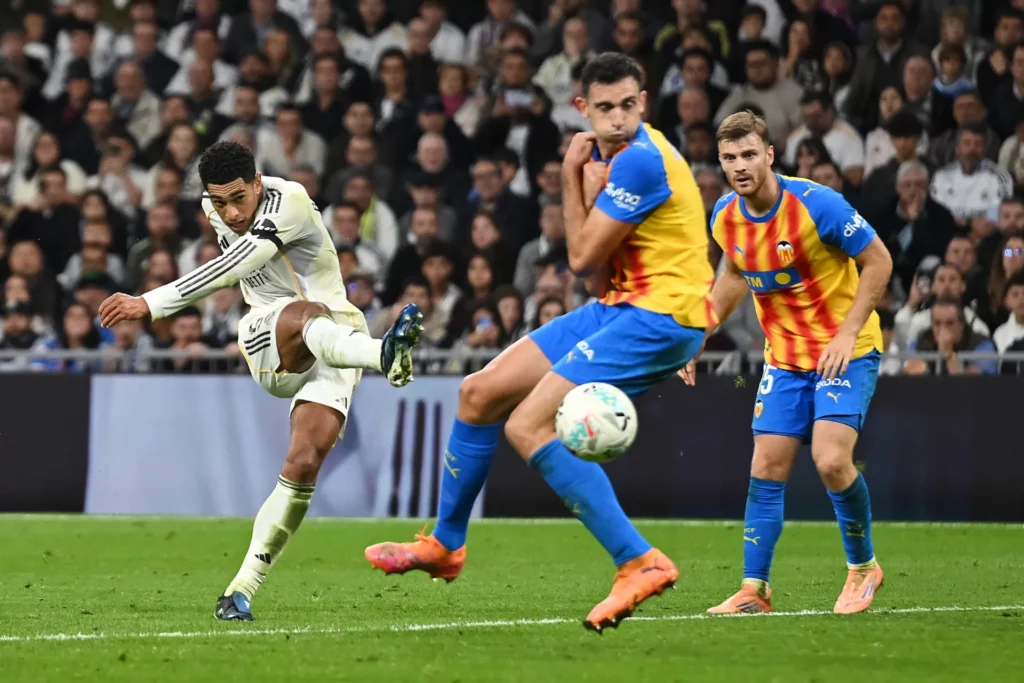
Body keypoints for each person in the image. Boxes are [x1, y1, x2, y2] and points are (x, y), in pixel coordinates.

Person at [364, 53, 715, 632]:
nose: (619, 118)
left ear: (644, 103)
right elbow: (598, 276)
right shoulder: (614, 157)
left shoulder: (643, 163)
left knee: (527, 425)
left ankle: (639, 561)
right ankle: (447, 546)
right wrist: (585, 177)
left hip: (662, 315)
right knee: (479, 393)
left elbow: (577, 258)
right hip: (620, 305)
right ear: (583, 108)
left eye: (629, 105)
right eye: (605, 108)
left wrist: (572, 177)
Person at [96, 141, 424, 622]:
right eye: (218, 201)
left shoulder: (288, 201)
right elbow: (237, 271)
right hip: (268, 334)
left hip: (338, 342)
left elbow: (238, 261)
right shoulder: (215, 206)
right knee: (305, 313)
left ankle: (241, 589)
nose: (228, 212)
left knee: (305, 460)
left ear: (257, 183)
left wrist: (150, 301)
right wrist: (152, 304)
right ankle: (384, 354)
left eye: (238, 199)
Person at [685, 111, 893, 615]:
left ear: (770, 154)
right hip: (786, 359)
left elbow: (879, 261)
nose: (740, 166)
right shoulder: (725, 217)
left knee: (830, 459)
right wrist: (699, 332)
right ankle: (754, 589)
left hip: (847, 349)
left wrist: (846, 333)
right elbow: (735, 274)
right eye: (730, 158)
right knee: (766, 464)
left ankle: (863, 567)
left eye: (749, 154)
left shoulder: (817, 204)